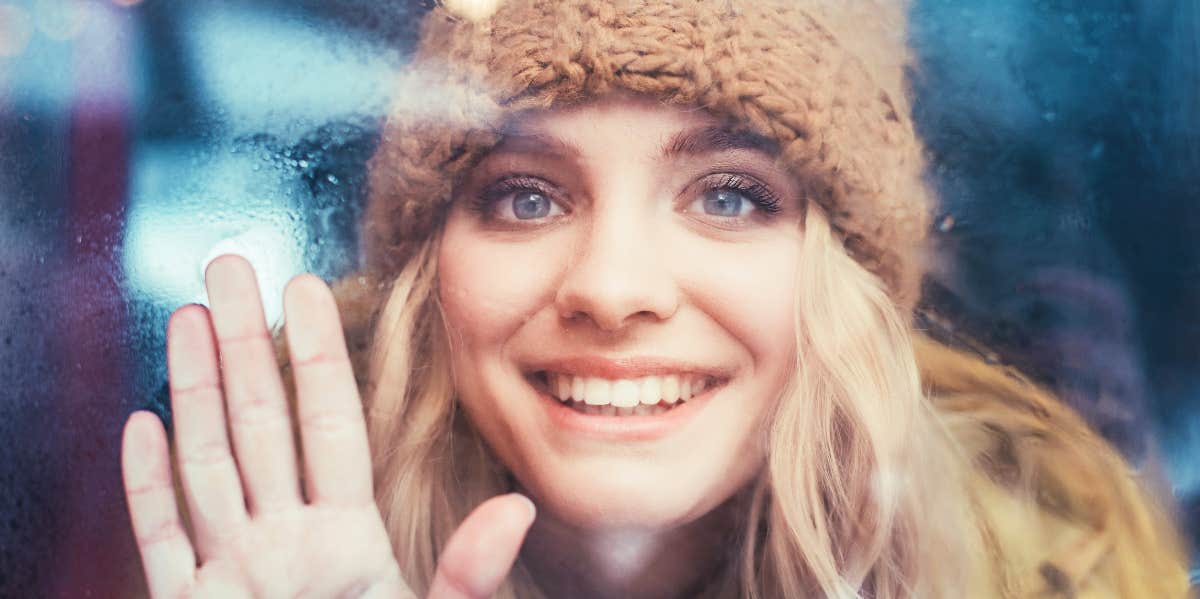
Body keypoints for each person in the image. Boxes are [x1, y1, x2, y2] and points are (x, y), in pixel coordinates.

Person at [120, 0, 1192, 597]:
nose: (614, 287)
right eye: (525, 196)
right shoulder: (264, 561)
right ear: (429, 272)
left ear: (847, 281)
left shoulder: (1065, 579)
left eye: (729, 194)